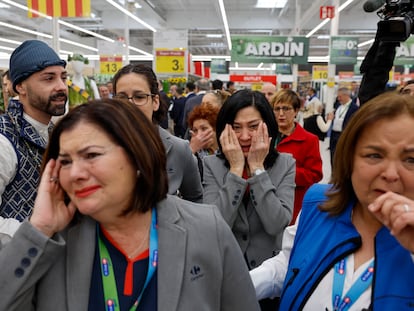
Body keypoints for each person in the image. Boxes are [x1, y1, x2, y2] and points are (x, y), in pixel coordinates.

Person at [0, 98, 261, 311]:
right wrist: (40, 228)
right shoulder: (53, 242)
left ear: (138, 156)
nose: (75, 173)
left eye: (91, 155)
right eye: (65, 161)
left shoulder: (205, 229)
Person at [250, 91, 414, 310]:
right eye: (374, 155)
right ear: (349, 159)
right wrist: (231, 286)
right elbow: (289, 263)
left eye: (411, 159)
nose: (391, 173)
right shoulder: (318, 205)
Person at [202, 89, 295, 311]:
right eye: (236, 127)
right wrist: (235, 170)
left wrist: (257, 169)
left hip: (269, 280)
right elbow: (212, 225)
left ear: (267, 127)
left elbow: (277, 223)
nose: (244, 136)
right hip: (225, 276)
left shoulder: (285, 164)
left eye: (253, 127)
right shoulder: (211, 165)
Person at [112, 64, 203, 202]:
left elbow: (195, 199)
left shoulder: (179, 149)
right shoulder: (100, 147)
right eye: (122, 98)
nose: (130, 105)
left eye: (139, 97)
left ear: (155, 102)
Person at [0, 39, 67, 221]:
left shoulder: (55, 133)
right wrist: (39, 233)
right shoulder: (4, 140)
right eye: (49, 78)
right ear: (20, 86)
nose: (61, 86)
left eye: (63, 77)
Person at [270, 89, 322, 224]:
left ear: (296, 110)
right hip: (267, 203)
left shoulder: (309, 140)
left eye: (286, 109)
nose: (281, 114)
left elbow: (315, 174)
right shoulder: (265, 137)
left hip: (294, 206)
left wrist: (285, 172)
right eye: (277, 109)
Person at [187, 102, 220, 179]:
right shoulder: (192, 154)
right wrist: (191, 151)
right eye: (195, 130)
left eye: (204, 129)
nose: (199, 135)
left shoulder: (227, 151)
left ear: (216, 129)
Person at [329, 87, 359, 168]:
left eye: (340, 96)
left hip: (344, 135)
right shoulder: (338, 106)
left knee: (342, 159)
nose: (338, 99)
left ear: (346, 95)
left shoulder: (354, 108)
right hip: (334, 135)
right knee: (333, 157)